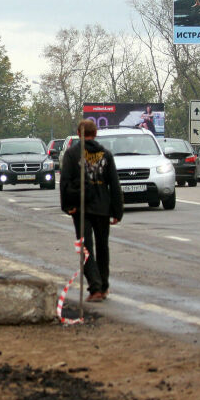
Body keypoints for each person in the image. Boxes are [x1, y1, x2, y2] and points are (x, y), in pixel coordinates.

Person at [60, 119, 124, 302]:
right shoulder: (106, 155)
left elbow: (65, 182)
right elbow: (114, 184)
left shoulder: (72, 154)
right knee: (103, 248)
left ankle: (95, 287)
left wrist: (67, 206)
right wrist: (117, 211)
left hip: (81, 208)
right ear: (95, 133)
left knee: (85, 249)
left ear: (79, 134)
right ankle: (103, 287)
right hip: (103, 207)